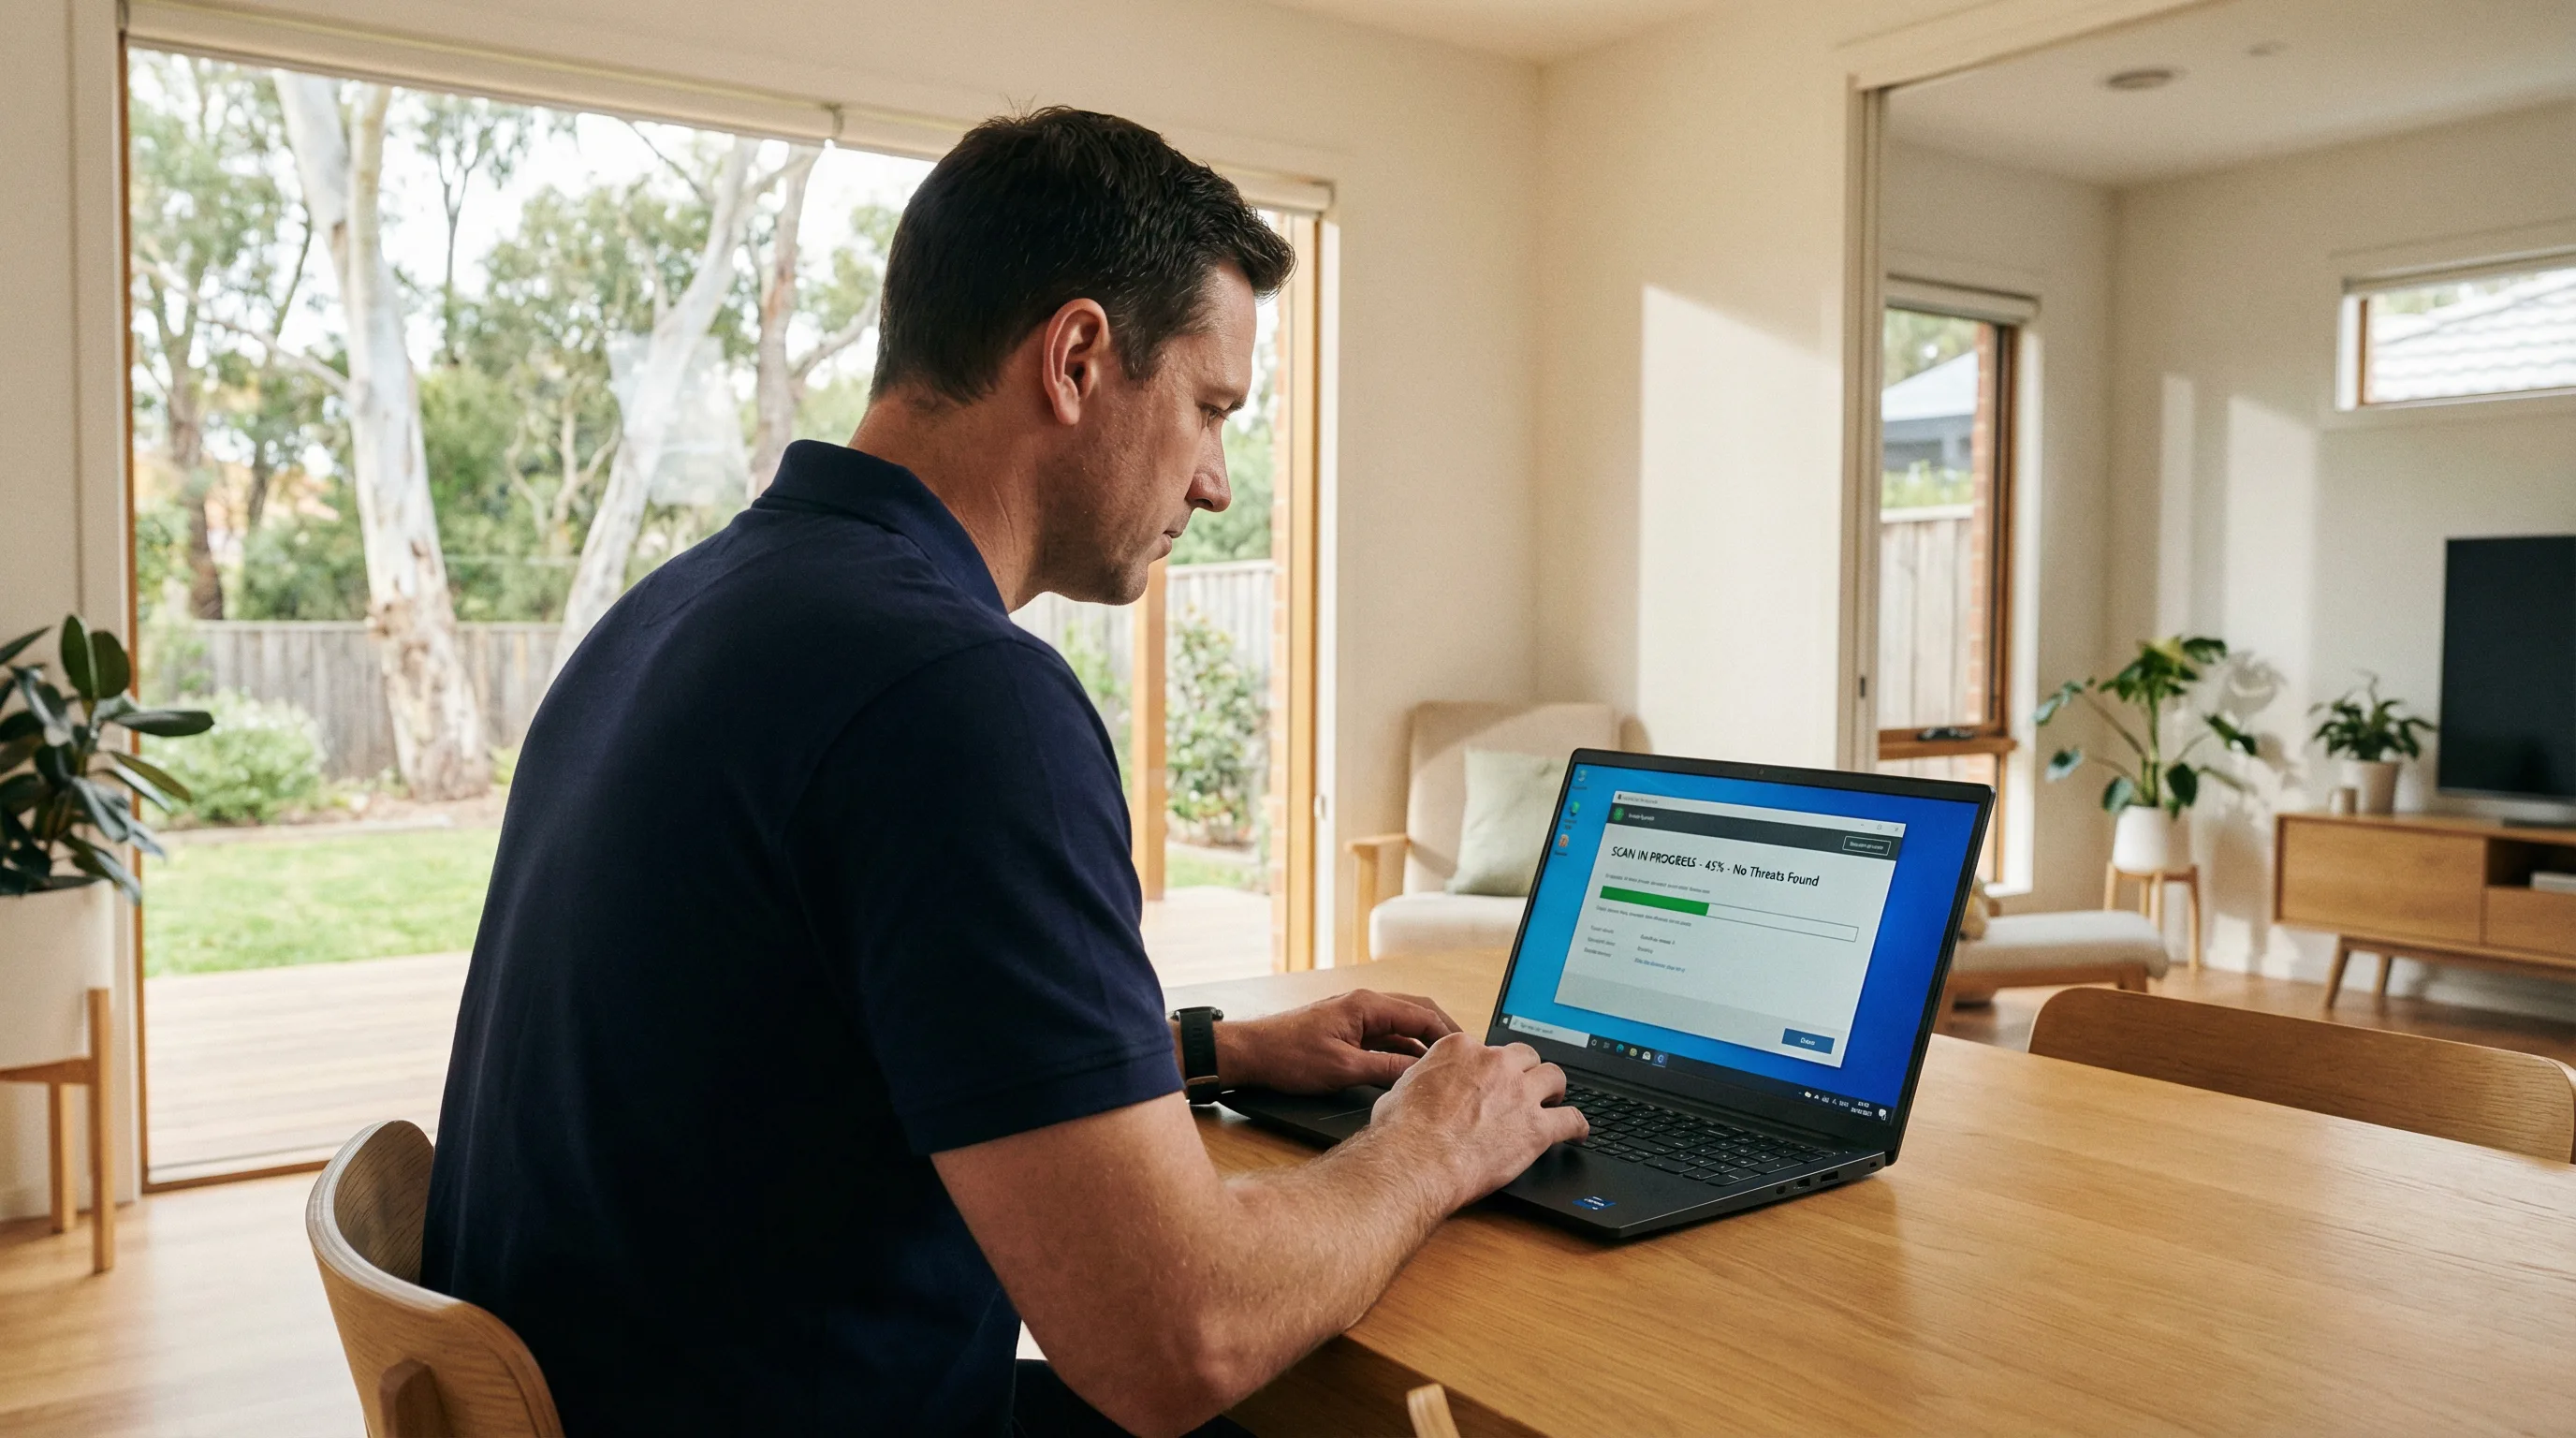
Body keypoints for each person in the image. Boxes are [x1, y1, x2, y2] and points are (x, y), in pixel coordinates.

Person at [421, 107, 1586, 1438]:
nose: (1215, 484)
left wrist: (1207, 1051)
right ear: (1079, 357)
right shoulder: (959, 698)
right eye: (1210, 409)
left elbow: (821, 1044)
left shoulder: (683, 611)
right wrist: (1433, 1145)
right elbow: (1174, 1339)